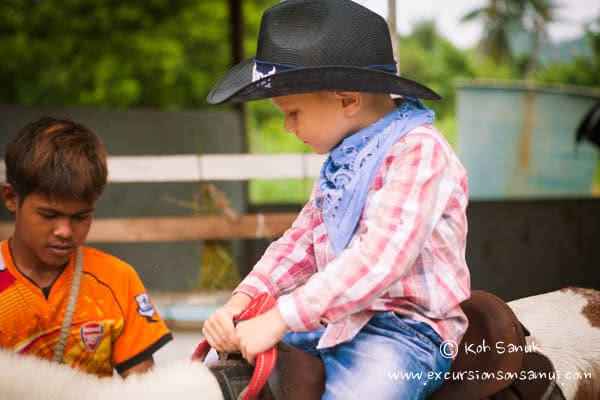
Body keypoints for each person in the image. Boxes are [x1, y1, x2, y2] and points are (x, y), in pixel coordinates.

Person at [202, 0, 471, 399]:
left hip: (406, 331)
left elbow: (380, 257)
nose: (287, 127)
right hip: (337, 319)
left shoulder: (419, 151)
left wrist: (282, 317)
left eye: (292, 113)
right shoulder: (344, 162)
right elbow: (301, 244)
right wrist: (242, 302)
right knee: (217, 367)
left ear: (347, 100)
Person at [0, 117, 172, 377]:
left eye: (80, 217)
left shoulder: (117, 281)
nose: (65, 232)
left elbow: (143, 389)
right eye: (48, 215)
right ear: (11, 198)